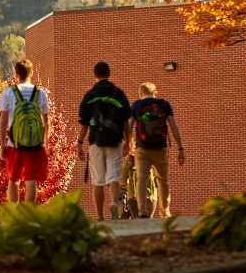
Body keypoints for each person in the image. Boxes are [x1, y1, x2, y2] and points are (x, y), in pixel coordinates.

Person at [77, 61, 131, 221]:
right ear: (109, 74)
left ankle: (100, 216)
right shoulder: (118, 93)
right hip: (115, 140)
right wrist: (128, 141)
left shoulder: (90, 95)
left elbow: (85, 124)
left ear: (95, 74)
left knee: (98, 181)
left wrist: (79, 143)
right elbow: (126, 121)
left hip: (96, 142)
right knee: (113, 177)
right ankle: (115, 204)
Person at [130, 82, 186, 218]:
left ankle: (142, 211)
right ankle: (165, 211)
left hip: (142, 148)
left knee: (142, 179)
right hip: (160, 148)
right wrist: (180, 148)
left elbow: (128, 126)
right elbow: (173, 127)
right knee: (163, 180)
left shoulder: (137, 105)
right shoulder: (164, 105)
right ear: (155, 92)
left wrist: (128, 144)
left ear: (140, 93)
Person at [0, 59, 50, 204]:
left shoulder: (9, 93)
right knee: (31, 180)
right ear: (31, 73)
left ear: (16, 73)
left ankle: (15, 213)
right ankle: (28, 213)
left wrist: (2, 145)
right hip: (35, 144)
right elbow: (46, 121)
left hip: (14, 143)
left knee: (13, 179)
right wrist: (45, 143)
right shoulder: (40, 93)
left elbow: (3, 121)